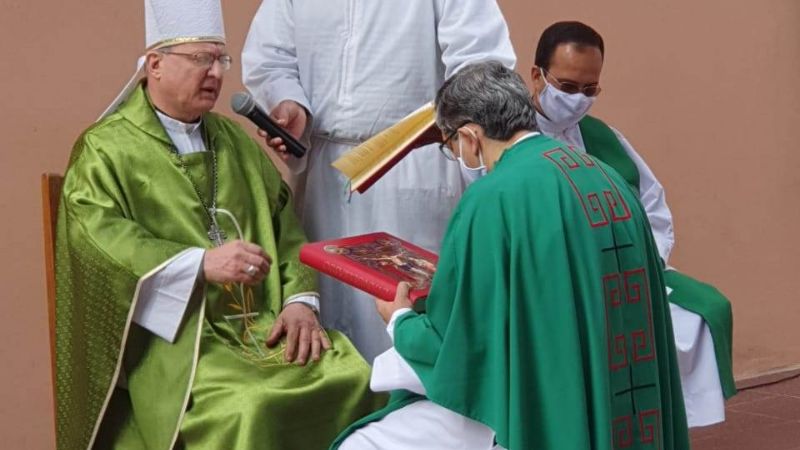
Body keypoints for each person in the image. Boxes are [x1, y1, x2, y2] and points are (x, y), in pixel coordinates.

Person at [55, 1, 380, 449]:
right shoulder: (105, 149)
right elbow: (98, 239)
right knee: (251, 405)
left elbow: (284, 226)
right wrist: (198, 264)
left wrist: (299, 302)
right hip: (180, 341)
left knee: (355, 375)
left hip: (262, 325)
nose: (215, 73)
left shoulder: (232, 142)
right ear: (155, 65)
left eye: (220, 60)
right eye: (200, 59)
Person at [332, 61, 690, 450]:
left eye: (451, 145)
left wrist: (399, 321)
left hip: (545, 398)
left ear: (470, 136)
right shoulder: (607, 177)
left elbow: (461, 346)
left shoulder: (492, 199)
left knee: (364, 444)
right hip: (619, 394)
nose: (458, 154)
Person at [241, 0, 516, 362]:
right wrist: (290, 103)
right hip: (327, 168)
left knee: (406, 316)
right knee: (333, 313)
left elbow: (481, 66)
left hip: (413, 163)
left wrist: (444, 125)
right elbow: (270, 57)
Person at [529, 21, 735, 426]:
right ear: (537, 75)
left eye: (590, 90)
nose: (578, 100)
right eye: (568, 87)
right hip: (559, 282)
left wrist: (644, 261)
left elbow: (652, 205)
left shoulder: (603, 137)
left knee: (707, 312)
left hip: (627, 271)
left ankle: (663, 422)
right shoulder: (511, 137)